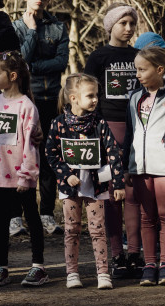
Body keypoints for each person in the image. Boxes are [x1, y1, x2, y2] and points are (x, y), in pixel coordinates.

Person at [46, 73, 126, 290]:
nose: (95, 100)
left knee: (98, 229)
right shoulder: (59, 124)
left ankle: (102, 272)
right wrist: (65, 174)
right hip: (70, 186)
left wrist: (117, 184)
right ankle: (72, 272)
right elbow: (51, 153)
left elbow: (112, 152)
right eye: (90, 95)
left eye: (97, 95)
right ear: (73, 98)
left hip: (96, 186)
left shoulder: (99, 122)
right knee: (71, 229)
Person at [84, 4, 142, 278]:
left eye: (132, 23)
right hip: (106, 126)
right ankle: (116, 253)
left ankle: (135, 252)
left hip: (135, 127)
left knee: (132, 191)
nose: (128, 28)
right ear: (111, 26)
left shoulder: (138, 56)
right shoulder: (99, 57)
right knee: (111, 193)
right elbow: (87, 93)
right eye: (123, 23)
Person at [0, 51, 43, 287]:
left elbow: (29, 144)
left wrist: (26, 175)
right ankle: (2, 268)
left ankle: (38, 266)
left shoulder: (26, 106)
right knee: (0, 222)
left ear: (13, 75)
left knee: (31, 218)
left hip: (21, 177)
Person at [127, 46, 165, 286]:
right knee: (146, 217)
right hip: (139, 169)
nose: (138, 74)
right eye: (137, 70)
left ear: (160, 70)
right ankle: (149, 264)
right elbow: (130, 135)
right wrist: (126, 167)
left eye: (142, 69)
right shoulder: (134, 98)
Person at [12, 0, 68, 238]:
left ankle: (46, 214)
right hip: (22, 100)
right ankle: (15, 217)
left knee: (48, 156)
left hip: (49, 100)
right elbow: (17, 61)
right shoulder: (14, 28)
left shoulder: (59, 28)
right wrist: (32, 32)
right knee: (18, 157)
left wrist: (31, 67)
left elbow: (60, 63)